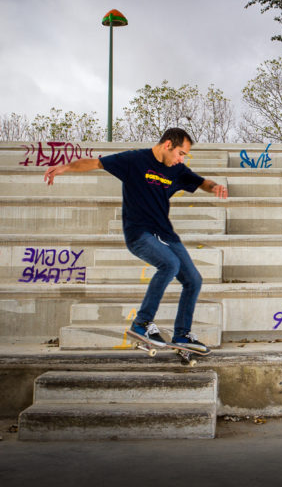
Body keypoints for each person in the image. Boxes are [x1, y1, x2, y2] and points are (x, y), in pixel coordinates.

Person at [43, 127, 228, 354]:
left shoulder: (177, 170)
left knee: (194, 280)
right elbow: (95, 163)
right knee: (170, 264)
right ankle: (141, 323)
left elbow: (201, 182)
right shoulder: (134, 160)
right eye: (180, 153)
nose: (181, 159)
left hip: (166, 235)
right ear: (168, 144)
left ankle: (182, 334)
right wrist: (64, 168)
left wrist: (215, 187)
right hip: (139, 233)